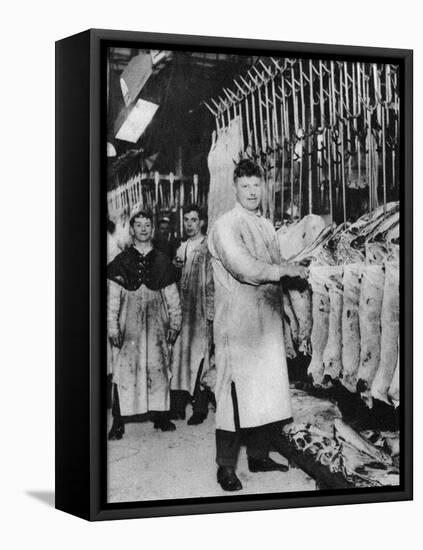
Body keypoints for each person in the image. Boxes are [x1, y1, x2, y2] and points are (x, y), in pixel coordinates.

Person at [208, 159, 309, 491]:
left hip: (266, 320)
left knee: (265, 390)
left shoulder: (266, 225)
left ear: (263, 187)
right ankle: (225, 467)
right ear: (235, 188)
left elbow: (277, 270)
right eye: (246, 186)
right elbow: (243, 268)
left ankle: (259, 455)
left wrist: (292, 273)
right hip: (237, 324)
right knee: (234, 394)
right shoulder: (225, 224)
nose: (252, 192)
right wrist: (285, 270)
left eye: (257, 185)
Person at [107, 210, 182, 439]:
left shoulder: (162, 261)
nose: (143, 229)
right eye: (138, 225)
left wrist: (175, 323)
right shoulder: (120, 262)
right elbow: (112, 300)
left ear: (153, 228)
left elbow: (173, 298)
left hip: (156, 326)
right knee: (124, 371)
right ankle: (118, 422)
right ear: (132, 229)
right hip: (129, 327)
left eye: (147, 224)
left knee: (159, 368)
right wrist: (113, 327)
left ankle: (161, 416)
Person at [169, 205, 214, 425]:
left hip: (201, 311)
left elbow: (213, 282)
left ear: (202, 222)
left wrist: (212, 312)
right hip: (184, 311)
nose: (189, 224)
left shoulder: (208, 247)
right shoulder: (182, 247)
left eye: (193, 220)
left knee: (201, 357)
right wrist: (174, 267)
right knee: (180, 356)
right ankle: (178, 406)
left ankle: (200, 407)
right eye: (186, 219)